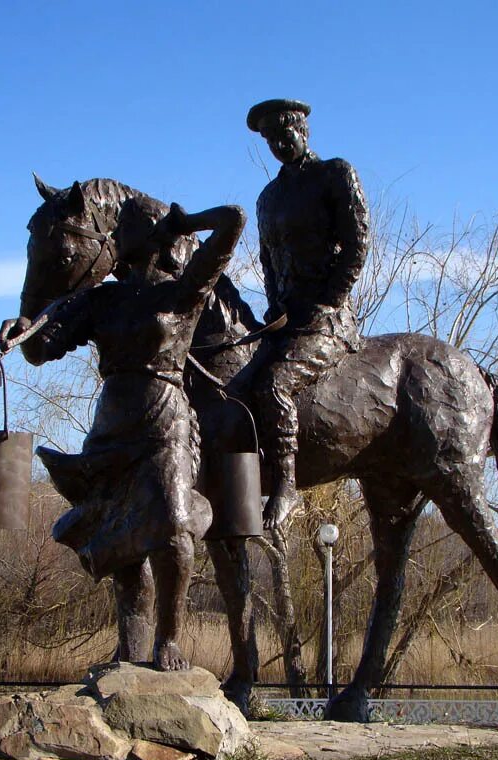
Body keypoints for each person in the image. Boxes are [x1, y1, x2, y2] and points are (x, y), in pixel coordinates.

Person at [26, 198, 245, 671]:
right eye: (120, 226)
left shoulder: (184, 290)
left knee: (171, 525)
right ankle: (130, 648)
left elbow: (233, 221)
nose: (120, 233)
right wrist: (24, 328)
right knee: (123, 540)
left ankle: (169, 639)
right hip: (112, 427)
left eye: (132, 225)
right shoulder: (102, 299)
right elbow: (43, 348)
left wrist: (186, 223)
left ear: (156, 234)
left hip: (165, 420)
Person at [245, 99, 370, 528]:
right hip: (284, 321)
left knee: (275, 384)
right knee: (234, 383)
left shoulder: (334, 174)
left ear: (304, 131)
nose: (280, 144)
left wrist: (331, 300)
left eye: (286, 134)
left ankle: (285, 488)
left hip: (327, 319)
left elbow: (358, 243)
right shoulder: (268, 198)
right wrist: (274, 307)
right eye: (270, 140)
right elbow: (267, 260)